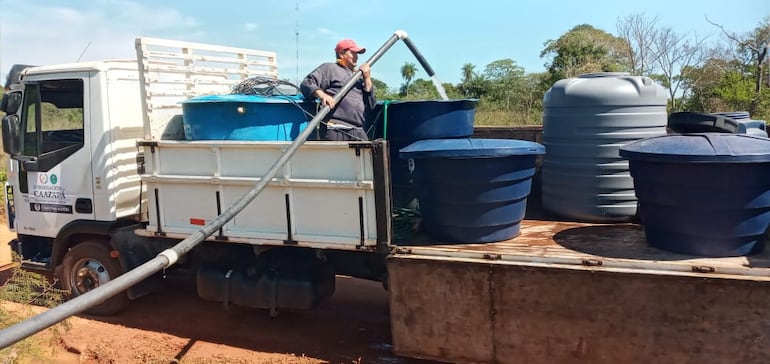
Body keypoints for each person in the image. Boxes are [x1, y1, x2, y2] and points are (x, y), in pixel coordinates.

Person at [300, 39, 376, 141]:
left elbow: (371, 105)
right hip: (335, 128)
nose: (356, 56)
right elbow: (307, 83)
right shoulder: (329, 68)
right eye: (353, 52)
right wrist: (323, 95)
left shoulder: (358, 78)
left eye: (357, 53)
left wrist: (367, 79)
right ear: (341, 53)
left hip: (357, 130)